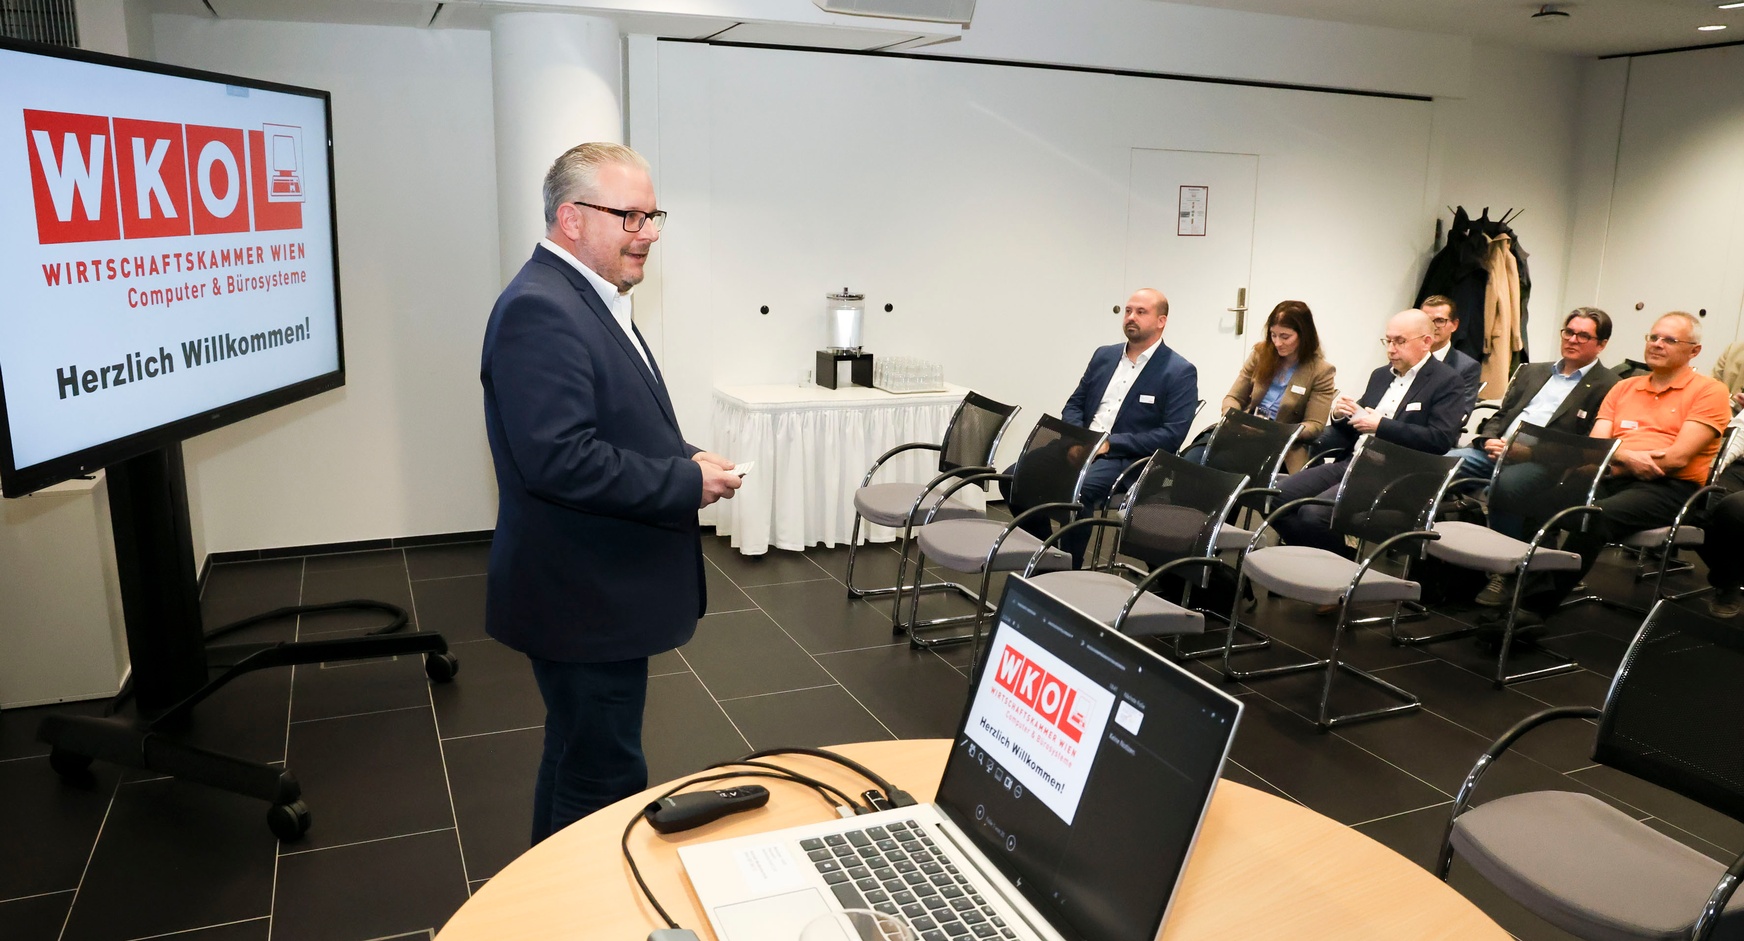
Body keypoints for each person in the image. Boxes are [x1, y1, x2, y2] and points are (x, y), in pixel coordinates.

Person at [480, 142, 742, 844]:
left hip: (589, 595)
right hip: (583, 600)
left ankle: (545, 893)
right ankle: (580, 896)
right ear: (571, 218)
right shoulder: (541, 309)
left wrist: (684, 455)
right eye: (630, 216)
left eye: (652, 216)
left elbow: (614, 421)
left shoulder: (584, 297)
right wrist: (686, 481)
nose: (648, 232)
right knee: (602, 777)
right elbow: (561, 460)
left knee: (577, 754)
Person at [1508, 311, 1730, 632]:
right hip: (1612, 475)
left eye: (1669, 340)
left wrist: (1615, 455)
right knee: (1539, 503)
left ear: (1694, 351)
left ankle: (1532, 611)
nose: (1657, 344)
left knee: (1593, 518)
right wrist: (1629, 458)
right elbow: (1594, 449)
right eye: (1653, 337)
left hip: (1669, 488)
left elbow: (1676, 459)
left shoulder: (1710, 391)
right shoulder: (1624, 387)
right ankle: (1528, 593)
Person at [1270, 309, 1466, 557]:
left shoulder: (1446, 381)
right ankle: (1321, 558)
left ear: (1426, 342)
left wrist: (1381, 426)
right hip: (1353, 462)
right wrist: (1341, 414)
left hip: (1395, 475)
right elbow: (1359, 422)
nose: (1391, 349)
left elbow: (1440, 439)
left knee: (1314, 514)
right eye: (1388, 341)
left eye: (1400, 341)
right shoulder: (1381, 375)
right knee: (1275, 498)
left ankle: (1339, 565)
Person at [1446, 307, 1619, 482]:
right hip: (1494, 453)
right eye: (1568, 332)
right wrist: (1488, 440)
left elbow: (1584, 447)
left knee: (1506, 484)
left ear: (1601, 344)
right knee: (1440, 463)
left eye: (1583, 336)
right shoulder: (1533, 371)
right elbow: (1502, 414)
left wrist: (1529, 453)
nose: (1572, 340)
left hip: (1543, 464)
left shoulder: (1609, 386)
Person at [1184, 299, 1336, 472]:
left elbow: (1314, 425)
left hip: (1282, 443)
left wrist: (1276, 432)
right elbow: (1233, 398)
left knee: (1231, 465)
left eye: (1285, 336)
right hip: (1245, 430)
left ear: (1304, 335)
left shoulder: (1321, 371)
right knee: (1193, 459)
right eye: (1273, 335)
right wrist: (1235, 419)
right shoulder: (1261, 354)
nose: (1277, 343)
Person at [1421, 295, 1484, 418]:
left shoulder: (1466, 367)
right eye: (1426, 321)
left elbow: (1458, 415)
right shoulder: (1406, 357)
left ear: (1454, 325)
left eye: (1440, 321)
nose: (1432, 326)